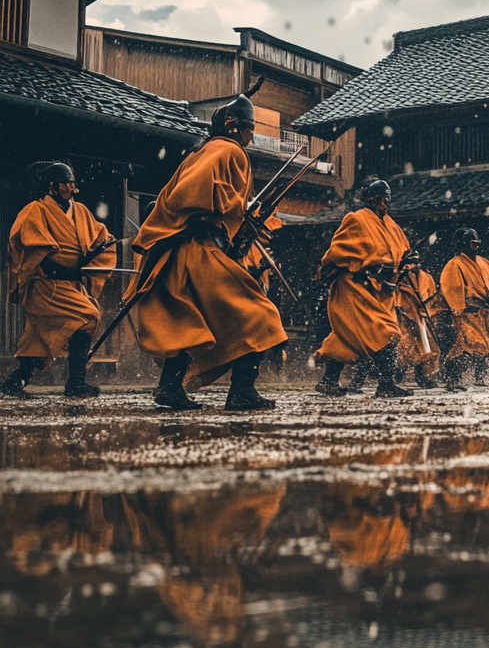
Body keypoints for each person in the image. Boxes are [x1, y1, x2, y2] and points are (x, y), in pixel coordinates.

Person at [124, 95, 289, 411]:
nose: (250, 135)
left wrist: (243, 221)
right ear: (233, 126)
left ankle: (169, 388)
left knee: (194, 322)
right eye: (248, 128)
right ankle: (242, 391)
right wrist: (237, 210)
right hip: (197, 250)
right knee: (262, 315)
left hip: (190, 252)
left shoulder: (206, 150)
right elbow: (192, 193)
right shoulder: (227, 149)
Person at [2, 162, 116, 398]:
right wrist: (57, 268)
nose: (71, 187)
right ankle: (76, 382)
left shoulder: (81, 211)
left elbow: (102, 238)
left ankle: (17, 380)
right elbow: (28, 245)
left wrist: (93, 254)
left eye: (73, 182)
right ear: (51, 185)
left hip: (71, 284)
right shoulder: (35, 210)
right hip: (45, 284)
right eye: (66, 182)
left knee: (38, 339)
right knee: (87, 316)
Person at [315, 179, 416, 398]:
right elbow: (337, 253)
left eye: (387, 200)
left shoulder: (392, 225)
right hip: (355, 287)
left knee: (345, 337)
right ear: (370, 199)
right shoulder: (356, 219)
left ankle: (328, 381)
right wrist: (363, 267)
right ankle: (386, 384)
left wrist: (408, 259)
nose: (384, 204)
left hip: (381, 290)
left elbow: (401, 253)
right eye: (381, 199)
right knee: (384, 332)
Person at [438, 229, 489, 391]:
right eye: (472, 244)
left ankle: (456, 378)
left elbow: (488, 280)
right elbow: (450, 287)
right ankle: (452, 378)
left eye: (477, 244)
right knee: (474, 343)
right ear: (464, 244)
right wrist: (461, 306)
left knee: (470, 346)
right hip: (467, 311)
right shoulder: (455, 264)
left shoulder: (484, 262)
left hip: (485, 310)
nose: (476, 247)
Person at [395, 250, 440, 389]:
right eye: (410, 261)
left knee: (425, 348)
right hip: (405, 316)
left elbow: (432, 296)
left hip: (422, 318)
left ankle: (422, 376)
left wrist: (429, 310)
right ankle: (395, 374)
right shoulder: (399, 278)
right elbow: (394, 296)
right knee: (404, 347)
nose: (414, 265)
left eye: (416, 261)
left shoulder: (427, 278)